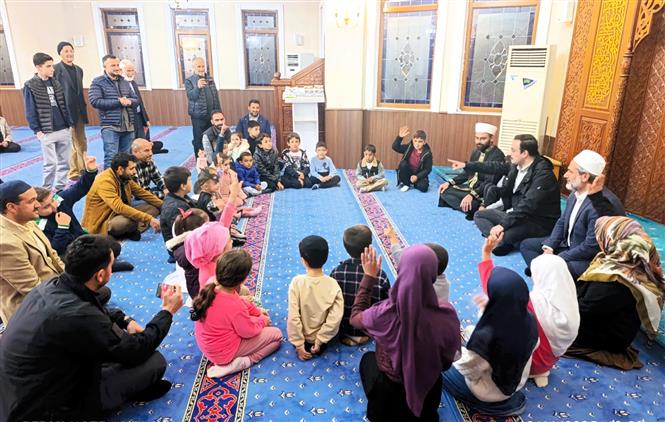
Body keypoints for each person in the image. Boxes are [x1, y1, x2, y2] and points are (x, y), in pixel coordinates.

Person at [0, 235, 183, 420]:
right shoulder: (79, 315)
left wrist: (125, 320)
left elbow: (93, 308)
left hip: (18, 392)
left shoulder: (51, 286)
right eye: (112, 265)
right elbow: (136, 350)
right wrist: (167, 311)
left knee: (111, 353)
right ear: (101, 275)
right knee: (155, 361)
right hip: (50, 408)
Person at [351, 245, 460, 420]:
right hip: (428, 389)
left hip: (389, 395)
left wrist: (369, 278)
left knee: (367, 360)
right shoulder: (447, 313)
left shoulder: (383, 313)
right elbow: (447, 362)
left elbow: (355, 318)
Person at [441, 236, 538, 417]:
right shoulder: (529, 319)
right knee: (470, 332)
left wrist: (448, 353)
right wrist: (488, 306)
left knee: (440, 364)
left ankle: (491, 405)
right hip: (515, 381)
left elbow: (469, 368)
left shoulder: (487, 337)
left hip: (488, 392)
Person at [567, 216, 665, 369]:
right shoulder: (637, 263)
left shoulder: (617, 277)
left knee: (546, 326)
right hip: (613, 325)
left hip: (609, 338)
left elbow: (587, 311)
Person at [520, 150, 624, 279]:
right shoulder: (575, 193)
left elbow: (591, 247)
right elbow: (562, 221)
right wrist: (550, 246)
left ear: (584, 176)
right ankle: (543, 275)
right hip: (568, 245)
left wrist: (558, 258)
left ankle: (545, 275)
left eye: (570, 171)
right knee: (527, 245)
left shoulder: (602, 206)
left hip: (588, 258)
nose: (565, 175)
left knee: (555, 267)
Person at [192, 249, 283, 378]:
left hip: (208, 347)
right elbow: (248, 331)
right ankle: (243, 362)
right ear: (244, 279)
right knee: (277, 336)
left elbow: (239, 302)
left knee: (250, 317)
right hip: (223, 354)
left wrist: (257, 312)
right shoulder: (235, 306)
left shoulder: (211, 284)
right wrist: (263, 320)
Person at [473, 134, 560, 256]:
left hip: (536, 221)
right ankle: (502, 240)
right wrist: (467, 165)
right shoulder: (516, 166)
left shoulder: (543, 175)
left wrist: (502, 225)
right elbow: (494, 167)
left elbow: (528, 205)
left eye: (513, 150)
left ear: (524, 153)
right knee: (479, 215)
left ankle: (504, 240)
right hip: (517, 215)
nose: (510, 153)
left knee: (506, 235)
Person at [0, 180, 65, 325]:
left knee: (98, 292)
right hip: (33, 309)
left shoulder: (26, 220)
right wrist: (71, 297)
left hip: (52, 287)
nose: (38, 205)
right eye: (31, 201)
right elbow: (33, 290)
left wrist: (72, 282)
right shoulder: (5, 243)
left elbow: (53, 256)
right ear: (11, 207)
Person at [330, 225, 390, 346]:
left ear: (346, 247)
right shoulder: (380, 275)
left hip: (342, 329)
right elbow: (387, 306)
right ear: (370, 245)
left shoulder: (337, 272)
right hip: (369, 328)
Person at [526, 254, 580, 387]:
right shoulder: (571, 305)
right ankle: (540, 372)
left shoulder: (532, 302)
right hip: (546, 364)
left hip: (523, 364)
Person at [287, 235, 344, 360]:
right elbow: (335, 318)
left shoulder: (296, 282)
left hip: (302, 339)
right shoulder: (333, 284)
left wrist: (299, 345)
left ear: (303, 260)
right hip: (323, 341)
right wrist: (319, 341)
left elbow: (293, 317)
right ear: (326, 258)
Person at [82, 153, 162, 240]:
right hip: (105, 220)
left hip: (119, 213)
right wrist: (149, 219)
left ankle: (135, 231)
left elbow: (142, 193)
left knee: (153, 208)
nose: (135, 171)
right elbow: (119, 207)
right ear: (120, 169)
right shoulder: (105, 181)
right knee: (126, 222)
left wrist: (164, 205)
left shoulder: (124, 176)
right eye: (131, 168)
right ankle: (126, 231)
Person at [23, 52, 72, 191]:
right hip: (46, 130)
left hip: (63, 127)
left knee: (65, 162)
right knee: (50, 164)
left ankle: (60, 188)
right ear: (39, 67)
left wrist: (68, 123)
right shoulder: (30, 85)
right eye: (48, 66)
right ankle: (46, 191)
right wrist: (37, 130)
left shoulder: (55, 82)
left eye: (52, 65)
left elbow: (63, 104)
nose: (52, 69)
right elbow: (30, 109)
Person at [438, 123, 506, 219]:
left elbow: (490, 181)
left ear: (491, 138)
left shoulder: (498, 155)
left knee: (471, 203)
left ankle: (472, 208)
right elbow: (467, 173)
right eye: (477, 138)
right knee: (444, 191)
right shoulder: (476, 151)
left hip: (483, 192)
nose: (479, 141)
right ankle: (468, 208)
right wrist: (449, 182)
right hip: (470, 187)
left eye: (483, 138)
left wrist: (472, 195)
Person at [185, 181, 241, 289]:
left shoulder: (210, 256)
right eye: (229, 241)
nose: (231, 241)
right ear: (219, 249)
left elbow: (224, 222)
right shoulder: (216, 277)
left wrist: (233, 195)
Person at [89, 55, 139, 169]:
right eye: (113, 65)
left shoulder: (124, 81)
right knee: (111, 158)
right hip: (110, 126)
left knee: (126, 159)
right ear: (104, 66)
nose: (116, 68)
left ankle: (123, 180)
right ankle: (109, 180)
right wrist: (118, 102)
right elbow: (95, 101)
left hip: (128, 126)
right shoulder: (98, 82)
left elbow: (136, 100)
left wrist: (129, 101)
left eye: (117, 65)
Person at [384, 225, 450, 303]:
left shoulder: (414, 282)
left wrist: (392, 236)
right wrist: (392, 236)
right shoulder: (445, 284)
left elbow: (399, 256)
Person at [54, 41, 88, 179]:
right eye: (66, 51)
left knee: (81, 140)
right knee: (72, 142)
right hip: (65, 112)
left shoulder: (79, 70)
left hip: (79, 110)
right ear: (60, 53)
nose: (69, 53)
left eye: (71, 50)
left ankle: (78, 169)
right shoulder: (56, 69)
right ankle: (78, 170)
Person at [120, 59, 168, 154]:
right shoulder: (120, 85)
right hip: (129, 117)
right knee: (132, 143)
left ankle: (144, 157)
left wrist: (146, 119)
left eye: (132, 70)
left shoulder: (133, 83)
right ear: (122, 71)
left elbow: (140, 102)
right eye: (128, 71)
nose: (131, 73)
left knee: (142, 140)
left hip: (138, 116)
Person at [167, 208, 209, 298]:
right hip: (199, 288)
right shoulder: (190, 250)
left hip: (196, 283)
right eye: (207, 226)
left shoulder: (182, 241)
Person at [186, 57, 220, 155]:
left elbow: (215, 97)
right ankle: (199, 160)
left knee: (211, 138)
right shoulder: (189, 81)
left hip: (211, 116)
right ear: (193, 67)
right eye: (199, 66)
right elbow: (191, 96)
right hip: (198, 117)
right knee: (198, 140)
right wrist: (198, 87)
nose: (201, 69)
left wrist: (219, 112)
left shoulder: (210, 79)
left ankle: (211, 160)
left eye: (203, 66)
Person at [160, 166, 195, 246]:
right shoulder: (174, 209)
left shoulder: (181, 196)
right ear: (183, 186)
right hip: (180, 246)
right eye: (189, 180)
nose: (191, 182)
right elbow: (181, 234)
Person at [392, 126, 432, 192]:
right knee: (403, 163)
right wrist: (400, 137)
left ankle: (412, 182)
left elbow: (427, 169)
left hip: (418, 174)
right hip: (407, 172)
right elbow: (395, 147)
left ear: (424, 142)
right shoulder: (409, 147)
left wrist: (417, 177)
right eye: (415, 141)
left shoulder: (427, 153)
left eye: (420, 142)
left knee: (423, 188)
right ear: (413, 141)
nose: (417, 144)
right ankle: (406, 183)